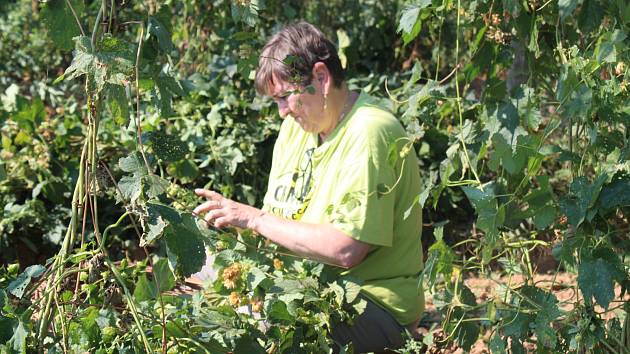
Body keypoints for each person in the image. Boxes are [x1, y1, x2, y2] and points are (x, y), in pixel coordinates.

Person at [193, 21, 424, 353]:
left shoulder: (371, 132)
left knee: (251, 329)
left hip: (371, 304)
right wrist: (228, 226)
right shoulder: (296, 130)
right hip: (301, 288)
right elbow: (281, 223)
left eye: (286, 96)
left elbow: (346, 249)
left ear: (321, 77)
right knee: (196, 281)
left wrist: (254, 218)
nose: (283, 112)